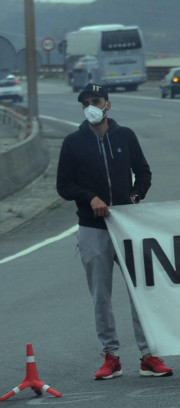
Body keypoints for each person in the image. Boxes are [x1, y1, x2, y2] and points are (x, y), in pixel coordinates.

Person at [56, 83, 173, 380]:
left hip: (127, 226)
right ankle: (111, 356)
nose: (91, 106)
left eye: (95, 100)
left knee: (140, 291)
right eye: (85, 103)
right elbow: (64, 185)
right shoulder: (73, 142)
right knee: (101, 295)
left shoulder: (126, 136)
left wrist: (135, 196)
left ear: (108, 104)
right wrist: (90, 197)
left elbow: (144, 172)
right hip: (92, 227)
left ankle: (148, 355)